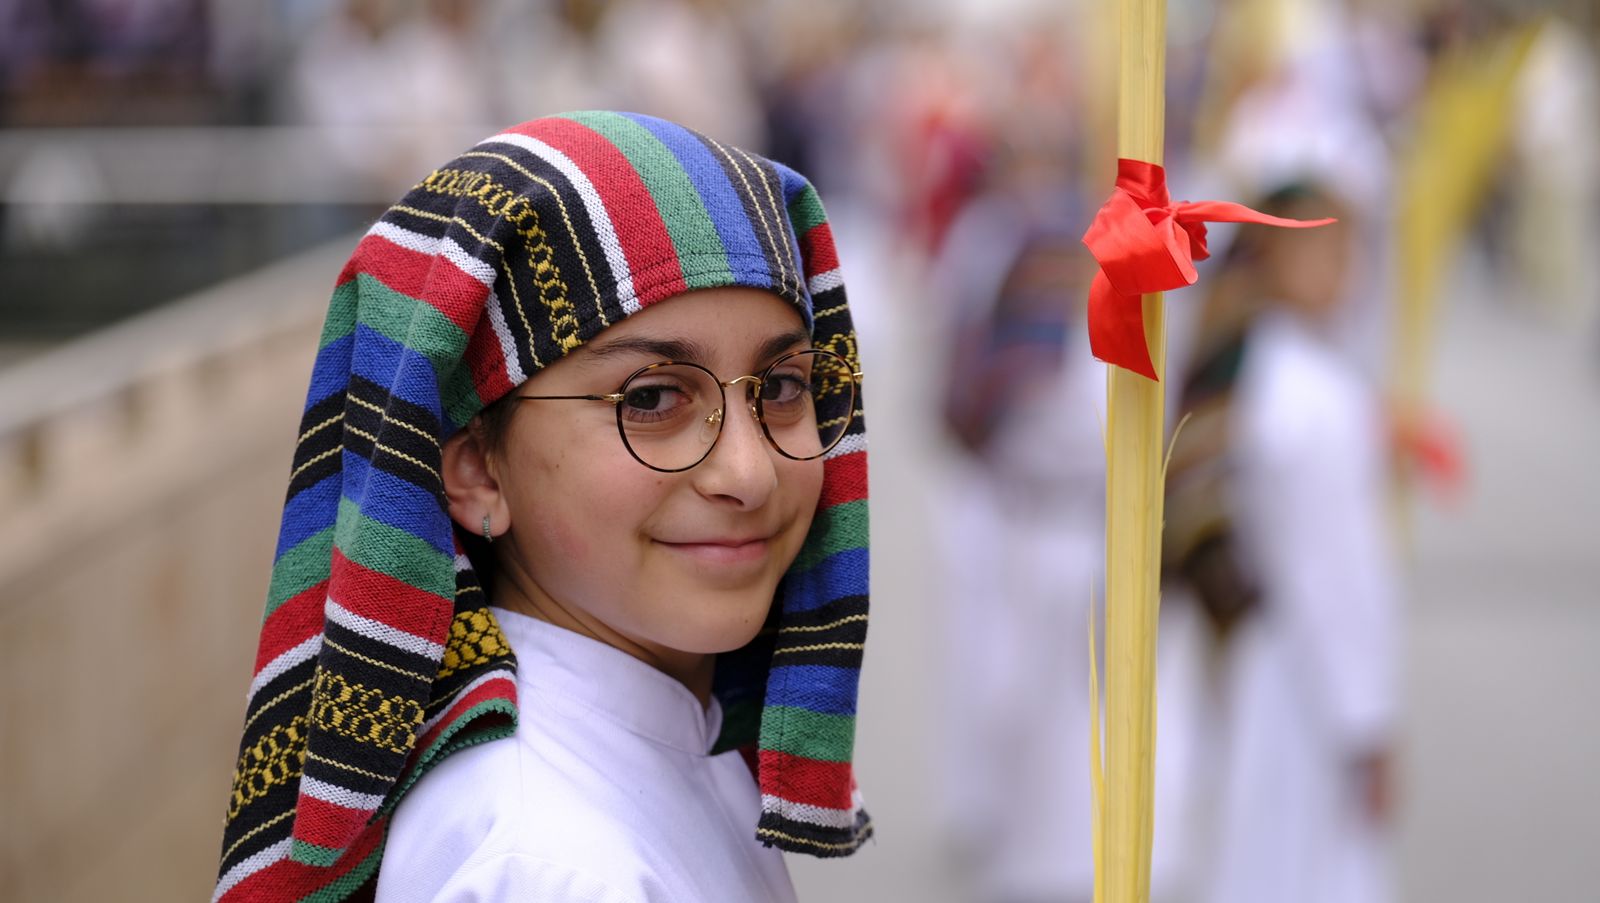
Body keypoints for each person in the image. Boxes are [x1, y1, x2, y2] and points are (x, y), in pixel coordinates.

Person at [215, 111, 872, 902]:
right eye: (652, 398)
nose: (750, 471)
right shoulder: (545, 866)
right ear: (476, 470)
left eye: (785, 385)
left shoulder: (675, 746)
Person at [1165, 174, 1400, 903]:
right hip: (1306, 676)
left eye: (1351, 252)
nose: (1348, 272)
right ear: (1272, 263)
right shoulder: (1311, 396)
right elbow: (1337, 577)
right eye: (1328, 253)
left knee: (1261, 856)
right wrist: (1368, 721)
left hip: (1265, 658)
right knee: (1306, 868)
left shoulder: (1269, 369)